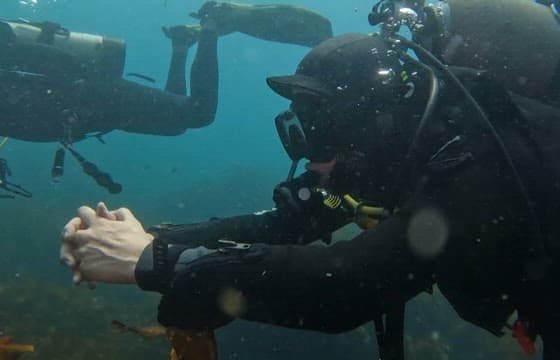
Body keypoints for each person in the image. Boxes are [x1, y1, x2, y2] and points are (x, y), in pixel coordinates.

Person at [61, 1, 559, 358]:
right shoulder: (400, 159)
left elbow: (347, 285)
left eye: (321, 131)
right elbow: (287, 225)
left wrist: (151, 262)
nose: (309, 157)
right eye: (299, 132)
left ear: (375, 125)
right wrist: (148, 238)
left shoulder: (479, 166)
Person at [0, 3, 332, 197]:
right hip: (84, 109)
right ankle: (182, 46)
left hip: (92, 98)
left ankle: (211, 30)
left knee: (198, 115)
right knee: (176, 122)